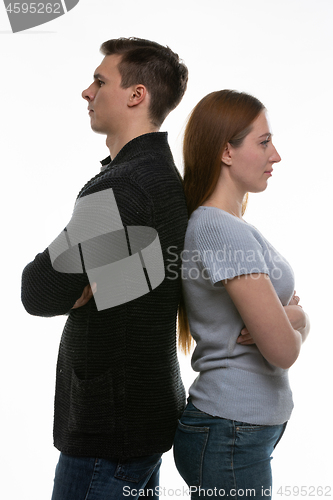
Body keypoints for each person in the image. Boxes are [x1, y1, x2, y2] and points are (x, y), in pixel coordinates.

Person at [21, 37, 188, 500]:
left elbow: (38, 291)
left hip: (108, 438)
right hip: (138, 422)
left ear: (136, 95)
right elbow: (142, 281)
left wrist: (89, 281)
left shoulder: (121, 187)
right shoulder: (158, 173)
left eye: (99, 81)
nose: (86, 92)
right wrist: (91, 280)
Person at [173, 90, 310, 499]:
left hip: (237, 431)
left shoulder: (229, 224)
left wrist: (296, 320)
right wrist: (297, 319)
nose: (276, 156)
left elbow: (286, 332)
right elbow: (283, 351)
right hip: (230, 431)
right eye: (263, 142)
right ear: (226, 152)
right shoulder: (221, 229)